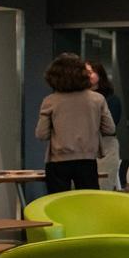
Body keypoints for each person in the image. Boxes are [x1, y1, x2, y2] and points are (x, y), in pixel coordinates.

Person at [36, 53, 114, 193]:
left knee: (59, 205)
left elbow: (42, 134)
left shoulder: (50, 101)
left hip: (58, 162)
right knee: (88, 203)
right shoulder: (97, 99)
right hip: (87, 160)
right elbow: (109, 129)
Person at [86, 60, 123, 190]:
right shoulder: (78, 98)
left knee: (101, 190)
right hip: (83, 150)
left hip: (105, 149)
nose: (86, 75)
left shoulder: (111, 99)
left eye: (90, 72)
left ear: (99, 74)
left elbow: (110, 126)